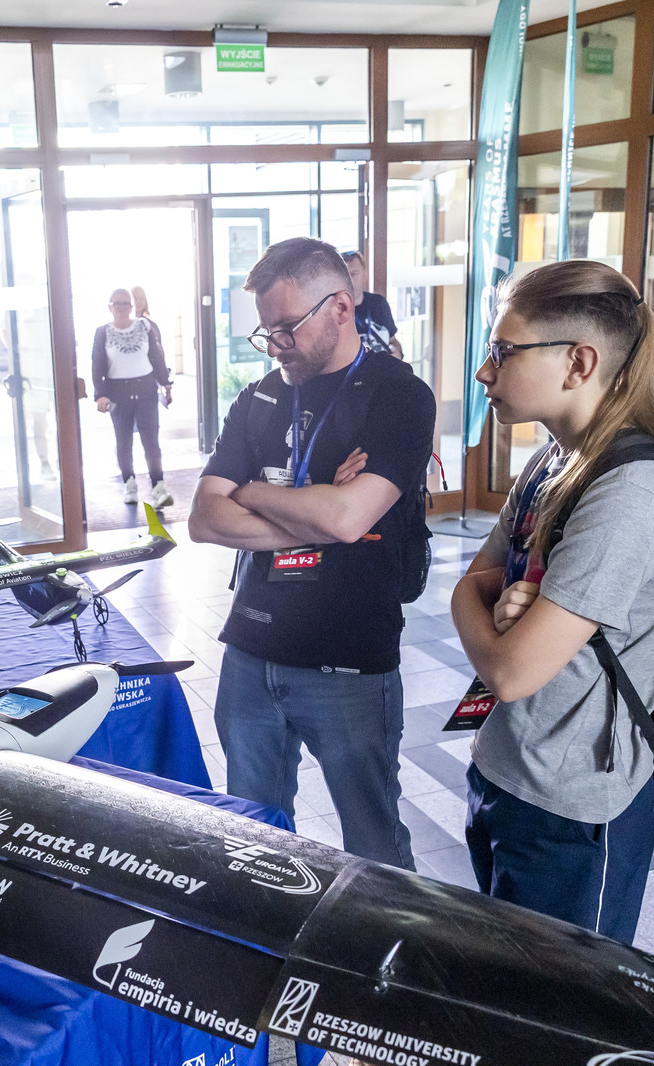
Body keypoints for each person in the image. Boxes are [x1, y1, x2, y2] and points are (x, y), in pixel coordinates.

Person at [451, 259, 654, 945]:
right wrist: (485, 597)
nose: (484, 373)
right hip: (505, 768)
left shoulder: (630, 495)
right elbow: (478, 580)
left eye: (503, 352)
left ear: (579, 362)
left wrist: (481, 601)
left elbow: (511, 671)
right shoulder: (552, 460)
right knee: (510, 983)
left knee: (564, 997)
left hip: (573, 808)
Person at [188, 237, 436, 870]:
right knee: (254, 839)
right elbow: (205, 518)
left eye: (286, 329)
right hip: (250, 652)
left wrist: (253, 493)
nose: (275, 346)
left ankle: (386, 937)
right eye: (265, 332)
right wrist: (313, 509)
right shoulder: (259, 397)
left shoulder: (399, 397)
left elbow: (349, 518)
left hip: (348, 662)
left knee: (375, 845)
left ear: (341, 308)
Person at [92, 287, 174, 508]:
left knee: (151, 440)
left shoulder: (144, 326)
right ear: (109, 307)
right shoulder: (102, 332)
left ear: (131, 306)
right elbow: (97, 365)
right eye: (116, 304)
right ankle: (129, 483)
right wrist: (100, 395)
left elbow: (157, 356)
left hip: (146, 389)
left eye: (125, 303)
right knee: (123, 441)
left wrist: (165, 383)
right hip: (118, 393)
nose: (121, 308)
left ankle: (158, 487)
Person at [342, 251, 398, 359]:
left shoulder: (379, 303)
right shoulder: (335, 311)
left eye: (354, 274)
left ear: (365, 274)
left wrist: (396, 353)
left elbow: (392, 340)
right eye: (345, 275)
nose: (350, 280)